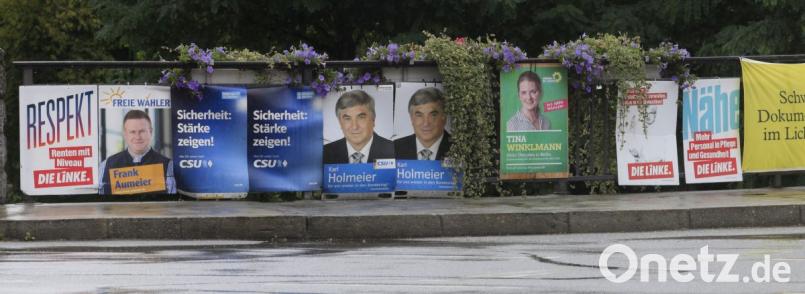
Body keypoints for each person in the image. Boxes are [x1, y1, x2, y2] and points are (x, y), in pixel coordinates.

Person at [99, 110, 175, 194]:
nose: (137, 137)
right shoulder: (106, 165)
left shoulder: (168, 166)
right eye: (132, 132)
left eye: (142, 131)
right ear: (125, 134)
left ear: (151, 132)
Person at [323, 90, 394, 164]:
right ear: (340, 123)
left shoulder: (394, 151)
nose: (354, 127)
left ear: (373, 119)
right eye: (347, 119)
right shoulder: (324, 154)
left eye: (361, 118)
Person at [394, 87, 451, 160]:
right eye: (419, 115)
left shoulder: (460, 149)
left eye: (433, 115)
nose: (426, 123)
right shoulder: (393, 149)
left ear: (444, 117)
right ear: (411, 118)